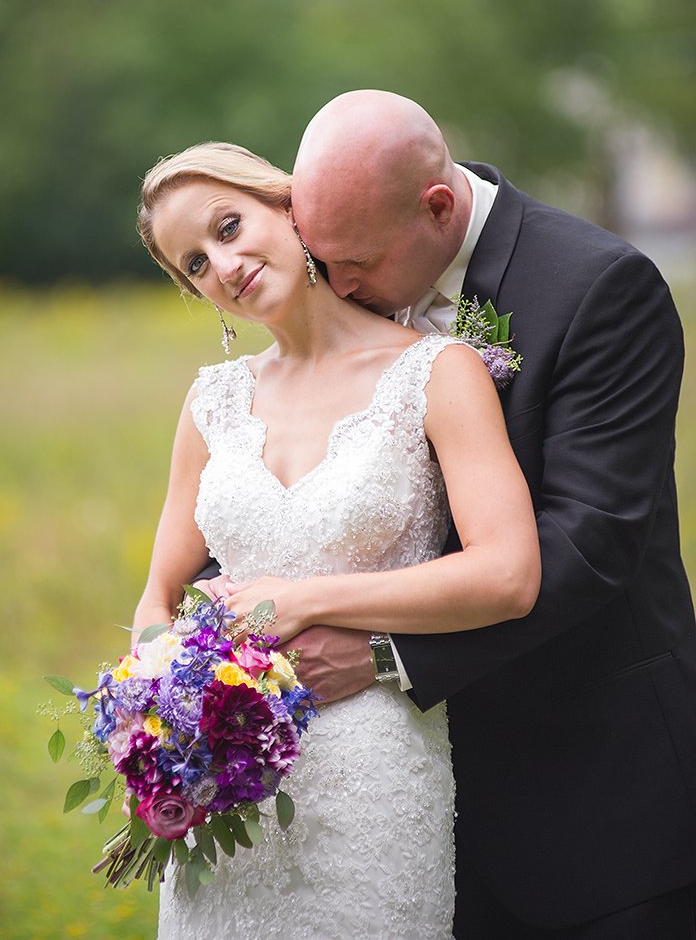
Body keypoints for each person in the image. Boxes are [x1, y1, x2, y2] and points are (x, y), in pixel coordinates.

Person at [270, 88, 696, 937]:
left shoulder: (602, 289)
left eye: (354, 261)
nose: (336, 284)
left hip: (595, 791)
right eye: (320, 257)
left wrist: (388, 654)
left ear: (437, 206)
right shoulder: (347, 278)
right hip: (413, 807)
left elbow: (590, 541)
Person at [133, 142, 541, 939]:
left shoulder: (436, 371)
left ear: (289, 208)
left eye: (228, 225)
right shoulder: (212, 401)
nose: (223, 262)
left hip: (373, 779)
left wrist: (303, 600)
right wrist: (155, 710)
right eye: (195, 262)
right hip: (226, 792)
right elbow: (159, 594)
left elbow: (509, 573)